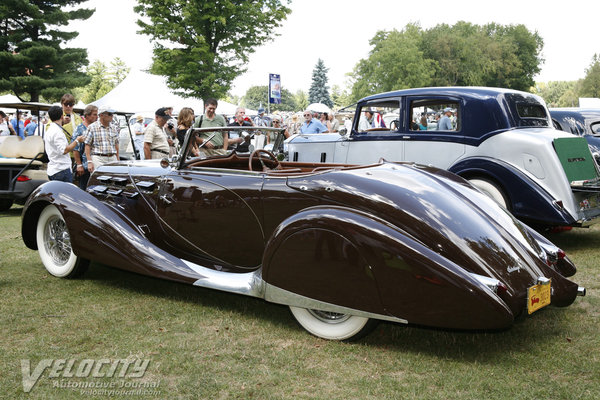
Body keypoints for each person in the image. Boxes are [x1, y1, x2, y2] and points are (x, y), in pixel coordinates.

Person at [44, 105, 85, 182]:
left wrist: (63, 123)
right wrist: (77, 140)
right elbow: (64, 150)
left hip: (54, 169)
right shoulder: (57, 132)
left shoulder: (51, 129)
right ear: (61, 116)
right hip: (61, 169)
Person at [84, 105, 119, 173]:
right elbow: (87, 145)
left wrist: (117, 159)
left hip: (112, 157)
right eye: (109, 114)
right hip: (98, 158)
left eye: (112, 114)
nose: (112, 116)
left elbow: (116, 144)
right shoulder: (92, 127)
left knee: (114, 180)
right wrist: (89, 162)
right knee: (99, 180)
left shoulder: (114, 128)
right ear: (101, 115)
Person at [72, 105, 98, 189]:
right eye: (94, 114)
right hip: (85, 166)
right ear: (87, 115)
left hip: (96, 163)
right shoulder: (80, 129)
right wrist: (79, 165)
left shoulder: (97, 128)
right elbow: (75, 149)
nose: (96, 117)